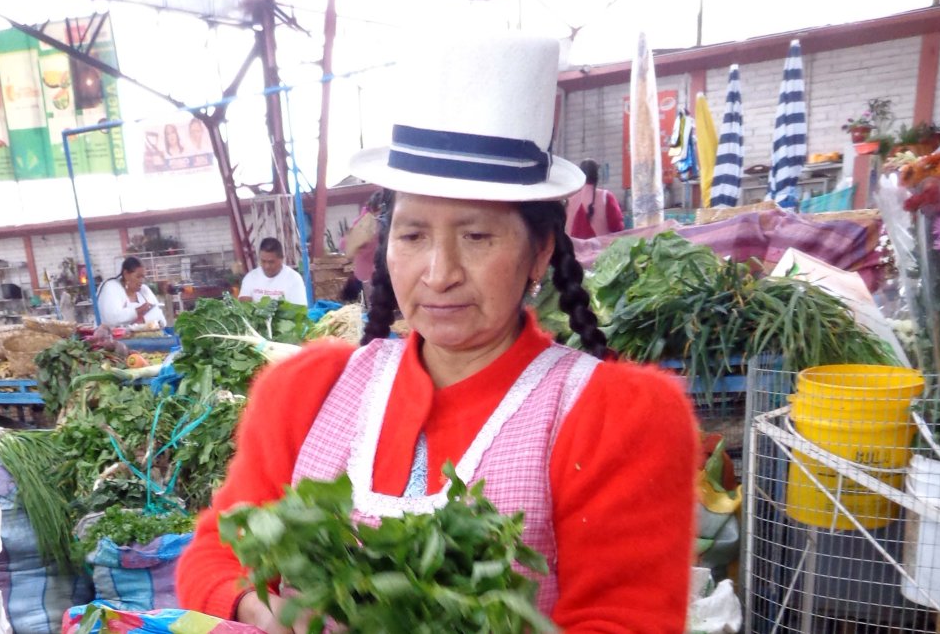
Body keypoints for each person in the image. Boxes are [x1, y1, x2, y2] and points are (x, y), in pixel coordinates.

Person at [176, 33, 697, 632]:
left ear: (539, 253)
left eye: (476, 237)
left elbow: (626, 619)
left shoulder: (617, 414)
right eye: (413, 235)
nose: (439, 274)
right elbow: (214, 555)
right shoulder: (304, 391)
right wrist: (265, 612)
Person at [564, 158, 625, 239]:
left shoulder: (568, 199)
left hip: (573, 249)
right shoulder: (606, 197)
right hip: (603, 250)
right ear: (597, 176)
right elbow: (618, 228)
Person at [98, 257, 166, 328]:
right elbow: (112, 318)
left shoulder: (144, 290)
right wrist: (138, 311)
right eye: (138, 277)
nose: (141, 281)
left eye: (143, 277)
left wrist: (143, 320)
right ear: (126, 274)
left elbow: (161, 319)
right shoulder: (111, 287)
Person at [237, 238, 307, 306]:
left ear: (282, 259)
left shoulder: (294, 278)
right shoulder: (250, 277)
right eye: (263, 261)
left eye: (271, 262)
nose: (267, 266)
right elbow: (244, 304)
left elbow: (298, 310)